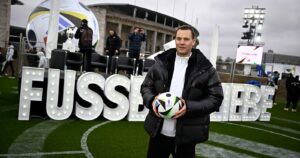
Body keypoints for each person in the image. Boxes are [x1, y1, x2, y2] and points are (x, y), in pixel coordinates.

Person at [141, 25, 224, 158]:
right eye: (178, 38)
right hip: (158, 132)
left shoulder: (206, 68)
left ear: (194, 41)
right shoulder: (160, 63)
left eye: (186, 39)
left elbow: (216, 97)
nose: (181, 42)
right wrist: (152, 100)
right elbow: (146, 87)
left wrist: (188, 108)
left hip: (186, 137)